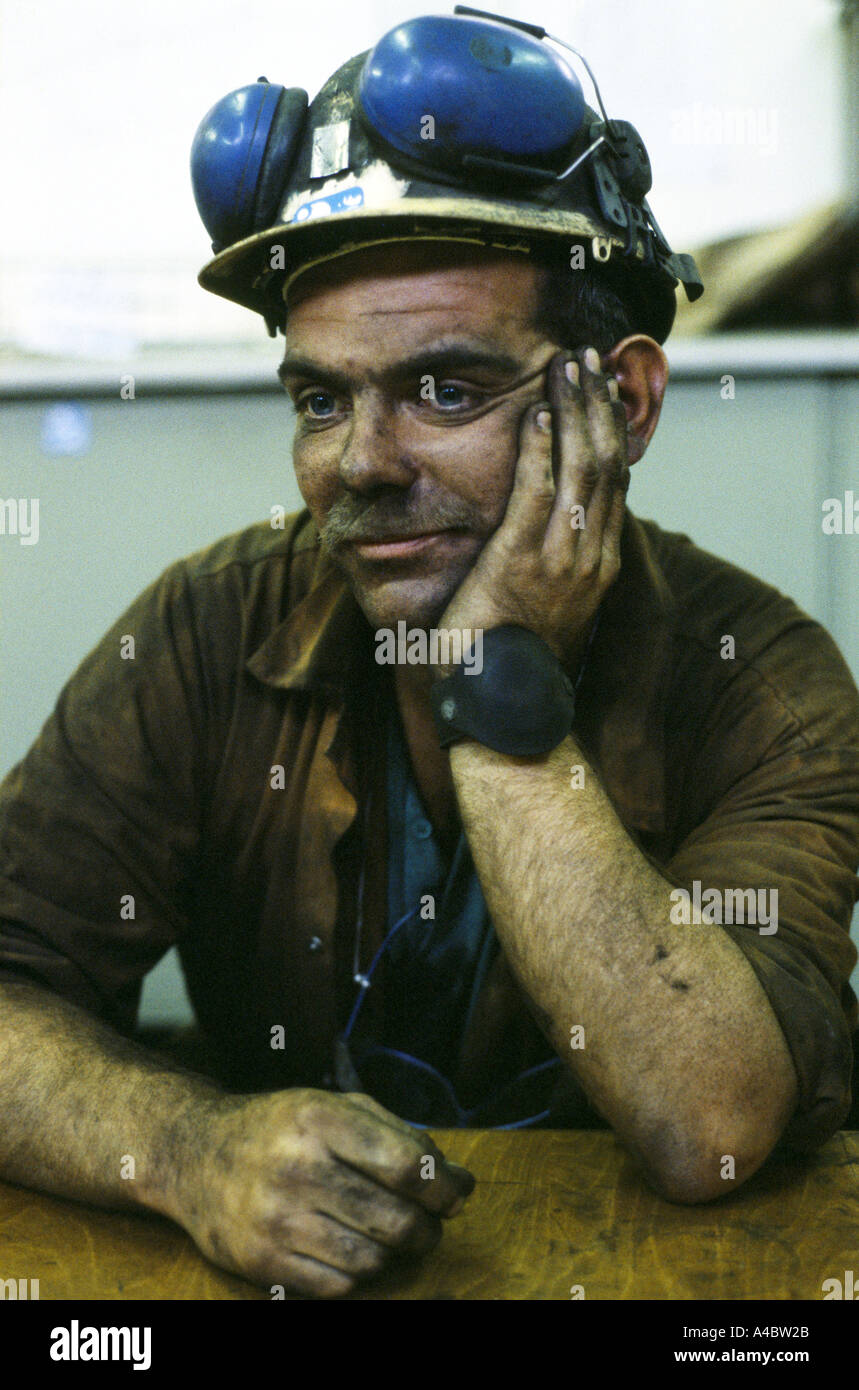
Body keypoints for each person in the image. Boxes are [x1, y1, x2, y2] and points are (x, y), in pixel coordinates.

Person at [1, 12, 857, 1301]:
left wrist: (498, 679)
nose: (362, 465)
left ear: (622, 406)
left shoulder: (764, 683)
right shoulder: (207, 632)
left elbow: (710, 1127)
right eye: (321, 399)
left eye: (448, 391)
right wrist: (186, 1150)